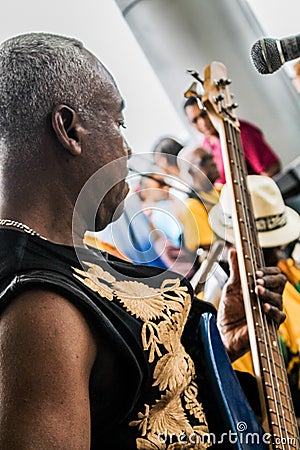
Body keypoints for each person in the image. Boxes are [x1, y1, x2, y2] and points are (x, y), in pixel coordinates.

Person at [0, 33, 286, 449]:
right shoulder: (40, 305)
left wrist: (220, 342)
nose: (127, 146)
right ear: (68, 129)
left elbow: (138, 394)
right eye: (118, 122)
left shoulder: (82, 261)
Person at [209, 174, 300, 416]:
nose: (278, 254)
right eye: (268, 250)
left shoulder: (291, 272)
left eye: (277, 247)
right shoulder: (218, 311)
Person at [184, 96, 281, 185]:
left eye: (204, 114)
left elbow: (271, 170)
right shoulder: (206, 145)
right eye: (195, 120)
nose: (203, 123)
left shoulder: (238, 132)